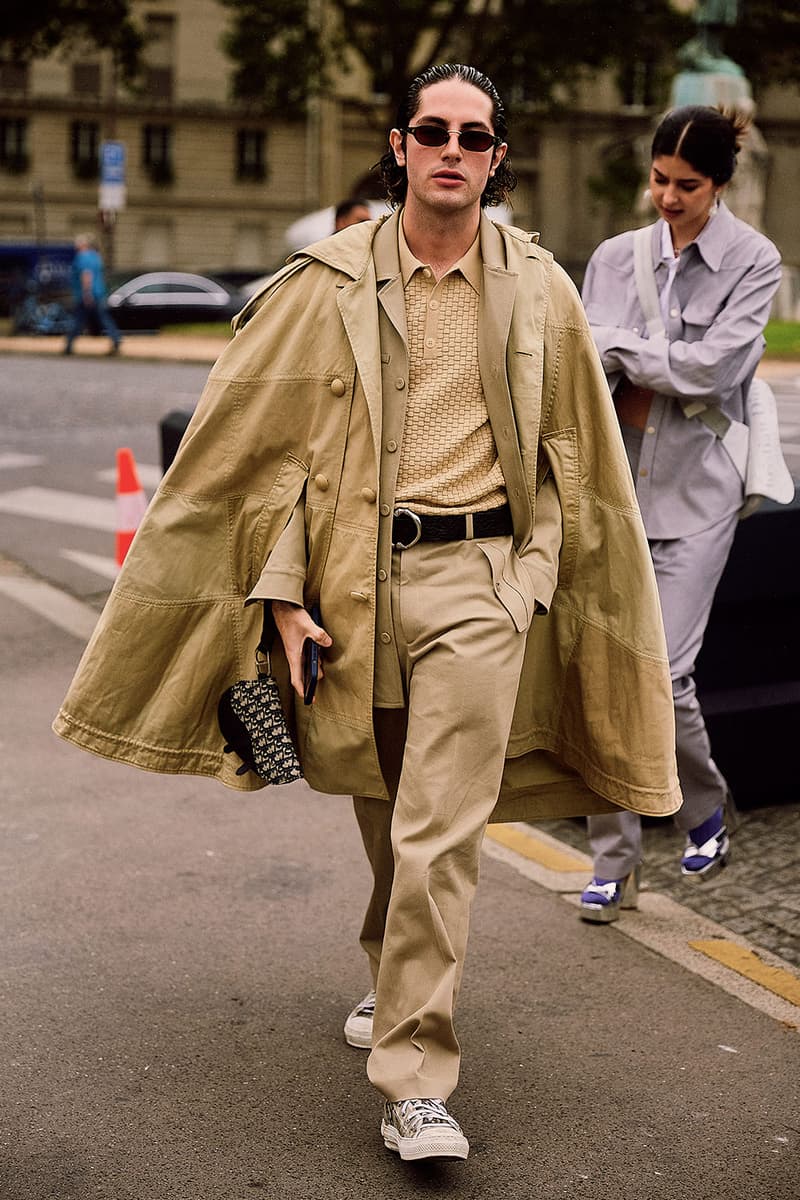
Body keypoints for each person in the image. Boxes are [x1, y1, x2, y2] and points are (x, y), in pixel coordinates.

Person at [54, 64, 680, 1162]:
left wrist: (529, 578)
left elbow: (579, 457)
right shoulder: (327, 279)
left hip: (482, 583)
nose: (450, 148)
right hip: (353, 588)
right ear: (398, 146)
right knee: (386, 804)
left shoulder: (538, 288)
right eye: (430, 130)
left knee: (441, 827)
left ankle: (415, 1078)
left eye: (472, 134)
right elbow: (276, 464)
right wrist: (283, 601)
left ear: (496, 157)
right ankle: (387, 966)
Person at [578, 106, 782, 923]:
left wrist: (625, 350)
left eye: (687, 186)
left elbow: (712, 371)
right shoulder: (612, 257)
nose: (667, 197)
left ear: (720, 186)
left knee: (662, 673)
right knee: (600, 674)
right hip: (613, 488)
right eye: (660, 179)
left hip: (700, 491)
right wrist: (636, 356)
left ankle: (702, 803)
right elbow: (577, 352)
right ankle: (612, 863)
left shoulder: (754, 260)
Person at [64, 233, 121, 355]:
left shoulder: (82, 257)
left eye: (77, 244)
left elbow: (86, 275)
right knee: (104, 318)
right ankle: (116, 339)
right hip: (99, 292)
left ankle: (68, 345)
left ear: (83, 245)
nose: (76, 247)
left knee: (78, 320)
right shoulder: (96, 257)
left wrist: (86, 293)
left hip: (86, 295)